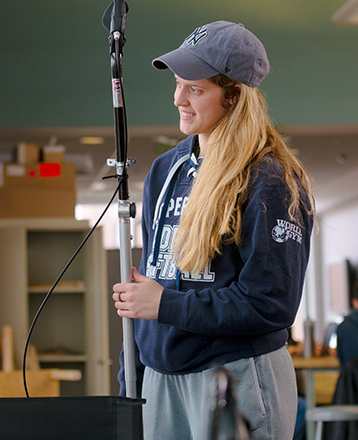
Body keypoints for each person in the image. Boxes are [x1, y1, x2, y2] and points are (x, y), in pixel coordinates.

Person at [112, 21, 315, 439]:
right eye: (177, 84)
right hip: (159, 377)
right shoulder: (165, 170)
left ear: (234, 95)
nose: (178, 99)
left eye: (195, 89)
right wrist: (129, 377)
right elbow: (151, 284)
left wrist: (165, 306)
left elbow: (270, 304)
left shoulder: (270, 179)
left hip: (234, 374)